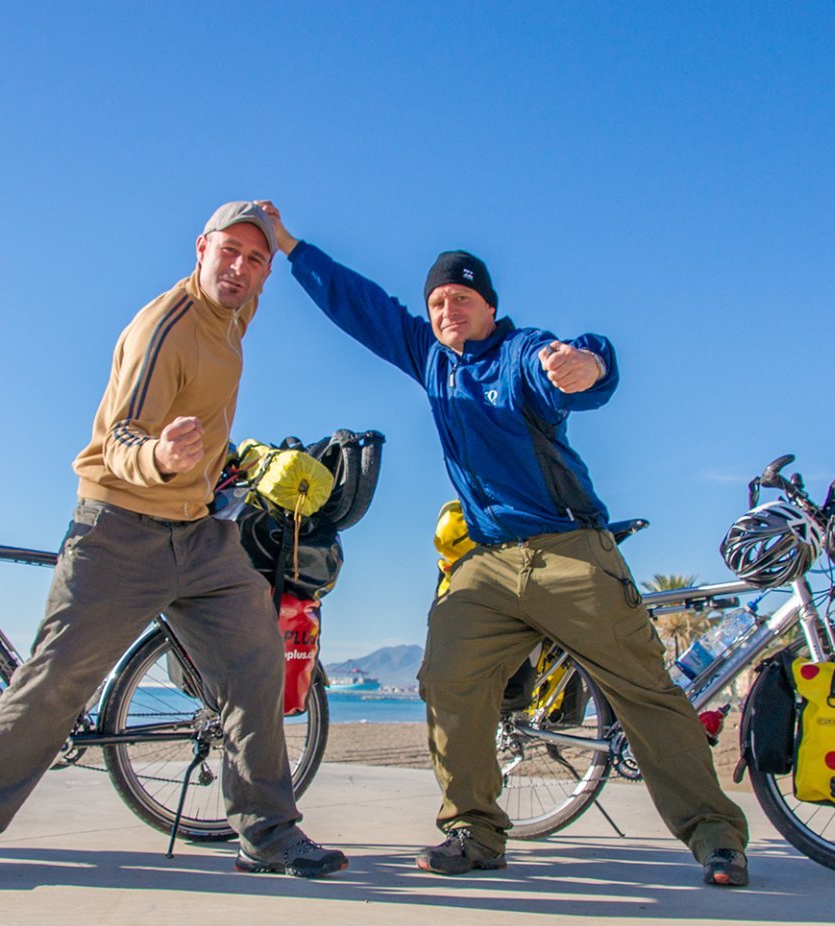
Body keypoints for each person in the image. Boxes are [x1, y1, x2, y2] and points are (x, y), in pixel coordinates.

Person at [257, 202, 750, 887]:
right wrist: (288, 246)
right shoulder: (430, 359)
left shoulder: (521, 354)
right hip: (485, 563)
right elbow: (360, 305)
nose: (446, 309)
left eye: (460, 297)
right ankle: (474, 832)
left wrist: (587, 366)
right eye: (436, 300)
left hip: (569, 553)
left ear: (489, 306)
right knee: (446, 680)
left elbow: (576, 363)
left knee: (642, 692)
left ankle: (716, 837)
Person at [0, 201, 348, 883]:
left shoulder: (236, 310)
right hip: (120, 529)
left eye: (255, 258)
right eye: (228, 253)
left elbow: (255, 280)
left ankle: (268, 835)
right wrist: (158, 457)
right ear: (199, 248)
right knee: (58, 681)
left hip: (202, 535)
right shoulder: (167, 327)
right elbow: (120, 435)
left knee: (256, 663)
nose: (239, 268)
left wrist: (286, 240)